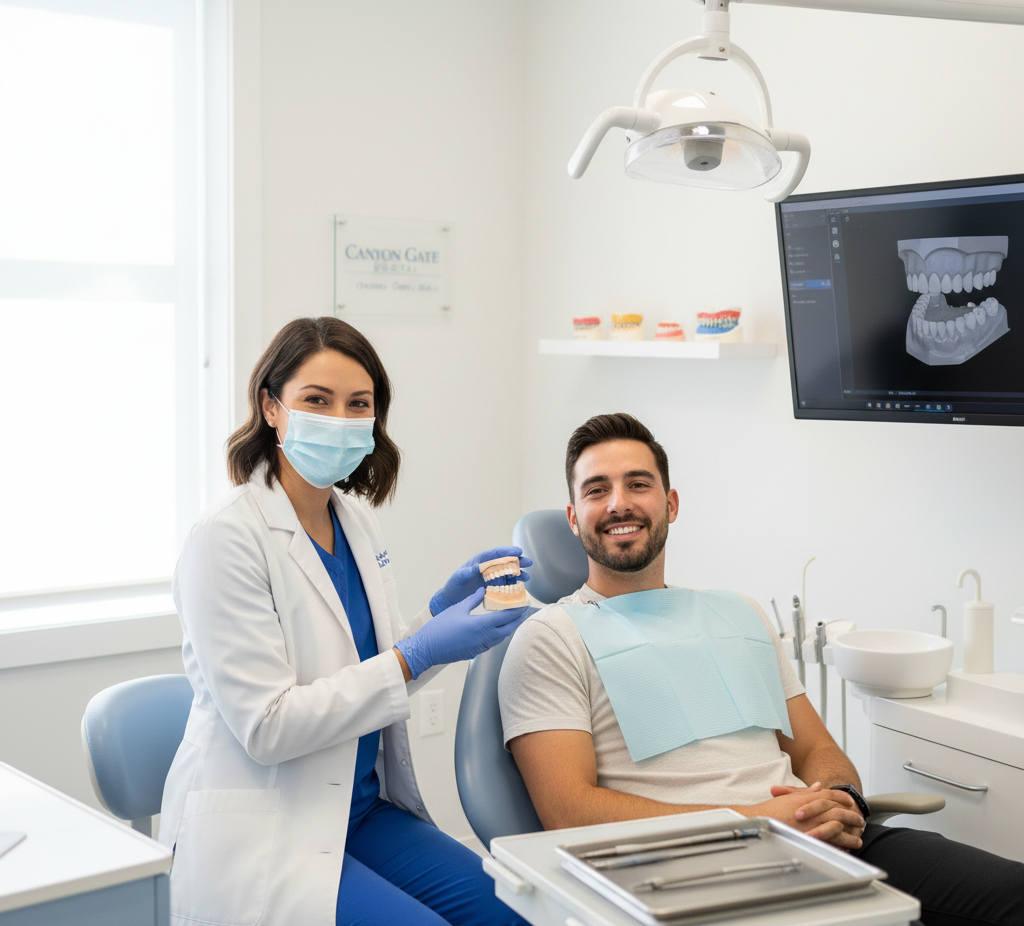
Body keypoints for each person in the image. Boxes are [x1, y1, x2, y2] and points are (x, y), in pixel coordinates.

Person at [498, 412, 1023, 926]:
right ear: (573, 518)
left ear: (671, 504)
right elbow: (568, 811)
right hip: (682, 867)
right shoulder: (551, 636)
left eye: (638, 484)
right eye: (596, 490)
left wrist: (838, 801)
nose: (619, 503)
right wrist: (750, 823)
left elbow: (816, 750)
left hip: (814, 842)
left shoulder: (738, 613)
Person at [160, 316, 530, 926]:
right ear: (271, 407)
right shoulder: (225, 538)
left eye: (358, 403)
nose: (339, 418)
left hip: (355, 809)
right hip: (269, 824)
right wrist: (419, 651)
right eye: (316, 400)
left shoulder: (353, 519)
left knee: (515, 910)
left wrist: (437, 619)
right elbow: (268, 728)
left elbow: (365, 666)